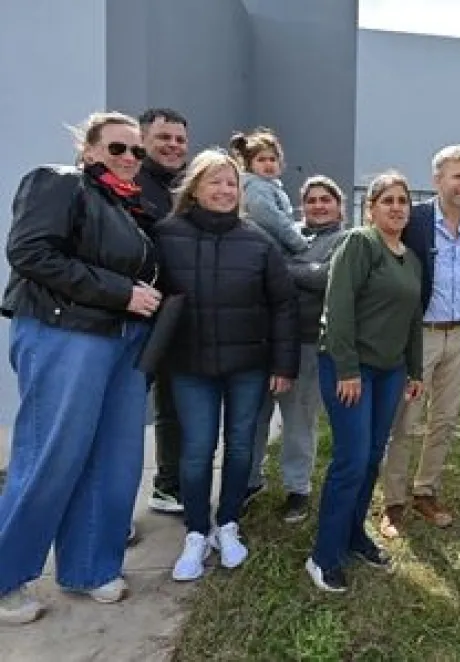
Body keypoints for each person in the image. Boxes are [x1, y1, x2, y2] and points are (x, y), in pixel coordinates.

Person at [0, 112, 161, 624]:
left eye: (137, 151)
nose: (130, 158)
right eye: (117, 148)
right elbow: (29, 251)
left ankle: (91, 568)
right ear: (89, 150)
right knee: (50, 454)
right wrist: (121, 292)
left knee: (114, 459)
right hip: (65, 334)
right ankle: (5, 577)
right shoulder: (59, 182)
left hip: (123, 341)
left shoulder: (128, 207)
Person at [155, 149, 300, 582]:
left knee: (240, 446)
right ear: (195, 188)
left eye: (231, 183)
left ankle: (229, 523)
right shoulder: (165, 235)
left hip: (247, 366)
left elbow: (283, 305)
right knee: (197, 450)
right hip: (190, 365)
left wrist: (284, 364)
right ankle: (197, 531)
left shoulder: (258, 241)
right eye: (214, 181)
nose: (224, 190)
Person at [306, 171, 424, 593]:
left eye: (402, 201)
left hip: (390, 372)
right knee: (351, 460)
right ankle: (323, 555)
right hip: (351, 369)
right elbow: (337, 307)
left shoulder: (411, 259)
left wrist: (415, 370)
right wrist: (347, 369)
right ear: (370, 209)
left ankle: (354, 535)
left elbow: (413, 319)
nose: (396, 207)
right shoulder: (360, 243)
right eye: (387, 200)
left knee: (373, 456)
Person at [378, 145, 460, 538]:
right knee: (406, 420)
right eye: (457, 176)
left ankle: (426, 492)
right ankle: (392, 502)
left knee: (445, 419)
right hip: (419, 335)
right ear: (438, 179)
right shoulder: (417, 219)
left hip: (459, 334)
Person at [250, 176, 347, 522]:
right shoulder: (287, 234)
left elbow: (326, 278)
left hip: (307, 342)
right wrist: (303, 271)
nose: (318, 206)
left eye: (326, 199)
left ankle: (297, 489)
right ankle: (249, 480)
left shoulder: (345, 240)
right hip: (267, 340)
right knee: (254, 416)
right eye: (311, 200)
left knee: (298, 420)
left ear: (339, 206)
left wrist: (281, 269)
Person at [136, 107, 190, 516]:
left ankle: (169, 486)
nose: (173, 145)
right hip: (130, 316)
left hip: (174, 318)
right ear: (143, 141)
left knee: (172, 408)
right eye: (163, 137)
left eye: (179, 139)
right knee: (119, 414)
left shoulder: (188, 186)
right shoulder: (129, 185)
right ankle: (111, 512)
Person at [230, 127, 309, 256]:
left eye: (272, 159)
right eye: (261, 160)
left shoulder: (271, 187)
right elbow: (272, 220)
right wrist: (299, 243)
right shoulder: (257, 187)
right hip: (265, 251)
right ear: (249, 164)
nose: (268, 164)